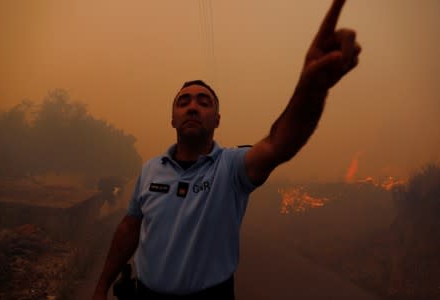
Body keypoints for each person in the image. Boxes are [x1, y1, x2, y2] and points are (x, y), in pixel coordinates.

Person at [93, 0, 361, 299]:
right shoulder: (150, 169)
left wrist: (311, 87)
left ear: (217, 119)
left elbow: (280, 143)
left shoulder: (232, 167)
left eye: (203, 102)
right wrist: (102, 284)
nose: (193, 106)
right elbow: (130, 228)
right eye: (184, 102)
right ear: (172, 118)